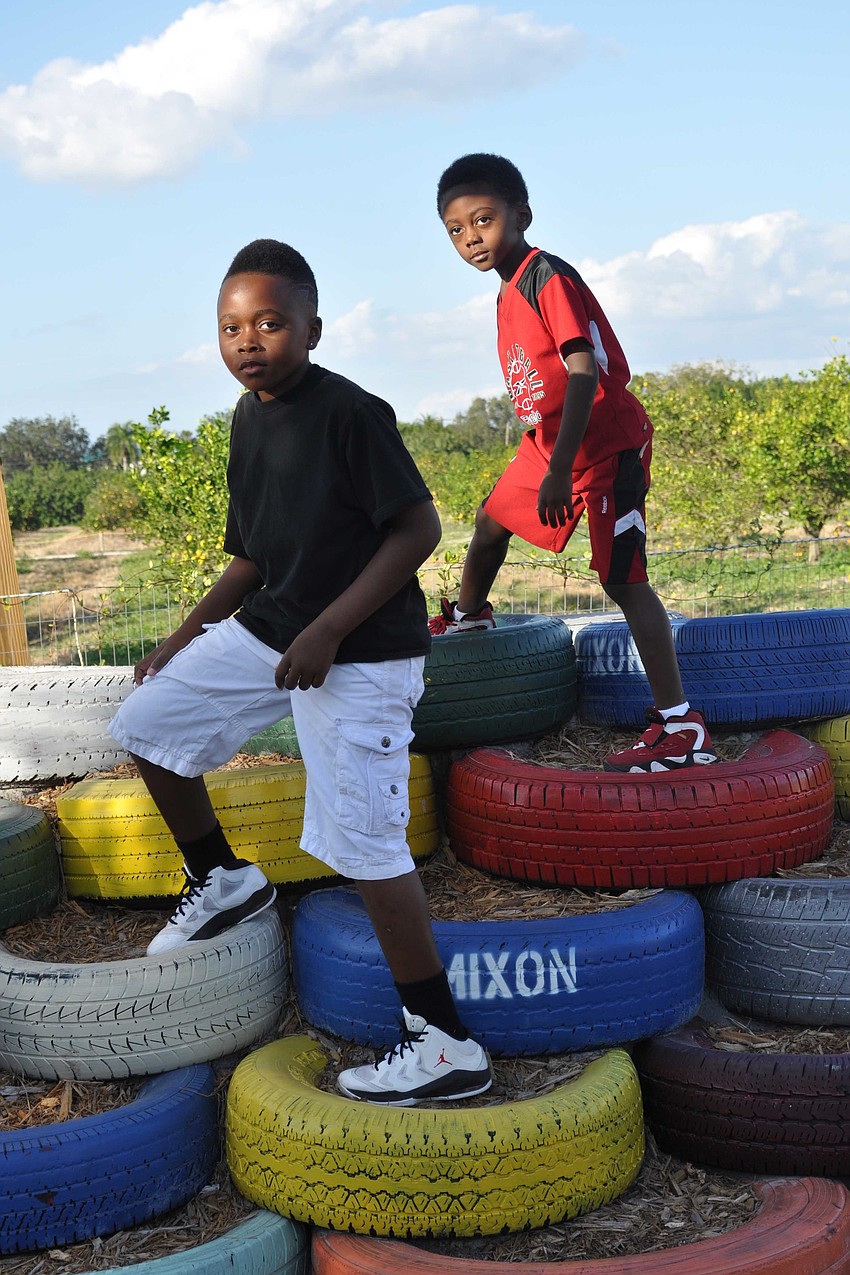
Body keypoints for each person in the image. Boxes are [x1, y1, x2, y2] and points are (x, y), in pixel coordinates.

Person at [109, 239, 492, 1106]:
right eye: (232, 326)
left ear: (313, 329)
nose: (249, 340)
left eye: (271, 323)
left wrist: (325, 631)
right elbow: (251, 557)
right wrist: (181, 635)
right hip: (274, 629)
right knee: (149, 721)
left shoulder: (352, 413)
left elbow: (419, 530)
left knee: (364, 843)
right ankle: (222, 877)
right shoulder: (247, 419)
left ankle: (444, 1044)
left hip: (360, 652)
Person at [430, 153, 717, 774]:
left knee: (622, 578)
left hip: (605, 447)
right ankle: (471, 616)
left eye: (483, 219)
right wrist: (551, 457)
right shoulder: (506, 291)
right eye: (455, 229)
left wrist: (561, 469)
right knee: (488, 524)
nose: (470, 237)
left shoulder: (543, 277)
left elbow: (583, 372)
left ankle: (680, 724)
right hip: (551, 442)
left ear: (522, 214)